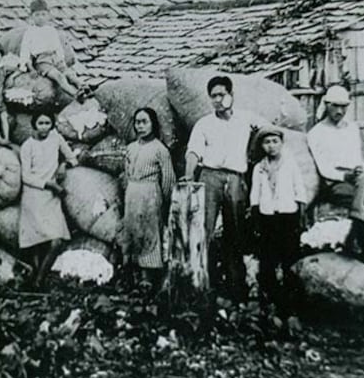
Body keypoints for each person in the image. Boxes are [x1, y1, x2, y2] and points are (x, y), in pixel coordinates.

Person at [183, 75, 252, 302]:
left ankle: (236, 287)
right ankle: (204, 285)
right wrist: (189, 175)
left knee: (235, 232)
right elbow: (193, 152)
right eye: (213, 96)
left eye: (221, 95)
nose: (218, 100)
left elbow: (265, 135)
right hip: (210, 176)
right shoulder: (204, 124)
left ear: (232, 95)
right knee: (205, 231)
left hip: (235, 178)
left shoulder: (245, 120)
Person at [307, 85, 364, 270]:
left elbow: (358, 159)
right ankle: (361, 244)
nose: (340, 111)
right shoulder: (316, 133)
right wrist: (345, 175)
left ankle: (354, 238)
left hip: (356, 178)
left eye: (344, 106)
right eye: (336, 106)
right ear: (327, 105)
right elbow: (324, 168)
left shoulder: (352, 128)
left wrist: (363, 172)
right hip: (333, 182)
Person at [249, 126, 307, 319]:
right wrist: (256, 217)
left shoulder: (290, 164)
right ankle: (270, 301)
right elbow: (255, 194)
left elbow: (299, 187)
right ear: (261, 146)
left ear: (282, 144)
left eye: (275, 141)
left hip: (287, 217)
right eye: (267, 142)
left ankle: (291, 306)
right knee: (267, 260)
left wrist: (300, 211)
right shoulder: (259, 168)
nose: (271, 146)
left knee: (289, 260)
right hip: (268, 218)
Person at [19, 112, 78, 288]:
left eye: (47, 123)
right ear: (34, 125)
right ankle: (37, 281)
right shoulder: (27, 146)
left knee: (56, 240)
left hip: (51, 198)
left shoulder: (56, 139)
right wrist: (49, 185)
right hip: (34, 195)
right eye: (40, 123)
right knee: (37, 241)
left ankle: (39, 279)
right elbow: (26, 177)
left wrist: (63, 165)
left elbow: (72, 158)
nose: (44, 127)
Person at [122, 107, 176, 290]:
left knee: (149, 231)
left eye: (145, 122)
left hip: (150, 193)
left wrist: (165, 199)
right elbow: (126, 172)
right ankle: (133, 273)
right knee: (132, 230)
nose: (141, 126)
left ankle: (148, 276)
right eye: (137, 122)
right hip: (132, 192)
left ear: (153, 124)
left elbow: (168, 178)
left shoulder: (160, 149)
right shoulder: (130, 148)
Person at [19, 0, 91, 102]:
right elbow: (25, 52)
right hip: (42, 61)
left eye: (43, 14)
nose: (40, 18)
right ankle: (75, 94)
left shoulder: (51, 30)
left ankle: (83, 86)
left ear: (48, 15)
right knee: (59, 76)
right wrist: (30, 68)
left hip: (55, 58)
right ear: (31, 17)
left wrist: (61, 60)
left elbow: (58, 47)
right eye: (37, 15)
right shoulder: (29, 32)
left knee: (69, 73)